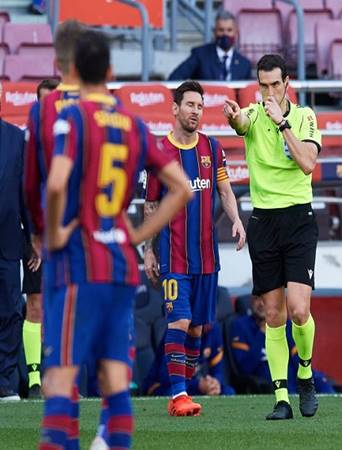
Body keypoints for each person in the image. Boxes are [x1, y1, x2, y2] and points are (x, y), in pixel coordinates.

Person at [38, 29, 192, 450]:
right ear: (110, 71)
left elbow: (56, 183)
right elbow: (182, 188)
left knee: (61, 378)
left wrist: (54, 232)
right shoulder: (133, 124)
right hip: (121, 266)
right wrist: (136, 234)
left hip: (80, 262)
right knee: (116, 379)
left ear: (72, 70)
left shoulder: (73, 118)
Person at [223, 54, 322, 420]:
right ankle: (282, 398)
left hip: (298, 217)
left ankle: (305, 373)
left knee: (299, 309)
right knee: (273, 313)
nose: (269, 92)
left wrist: (282, 123)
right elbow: (241, 122)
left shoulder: (305, 116)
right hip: (263, 220)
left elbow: (307, 163)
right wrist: (234, 117)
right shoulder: (253, 113)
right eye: (263, 85)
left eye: (275, 84)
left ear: (287, 83)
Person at [143, 80, 245, 417]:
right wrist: (149, 250)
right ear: (175, 108)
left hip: (207, 257)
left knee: (199, 328)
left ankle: (183, 393)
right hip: (174, 257)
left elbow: (225, 191)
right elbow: (150, 206)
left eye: (200, 106)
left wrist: (237, 220)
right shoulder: (159, 153)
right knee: (180, 321)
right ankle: (178, 394)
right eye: (190, 105)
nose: (195, 112)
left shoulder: (212, 149)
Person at [20, 78, 59, 401]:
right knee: (35, 303)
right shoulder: (26, 144)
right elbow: (23, 193)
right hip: (37, 237)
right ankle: (35, 379)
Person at [0, 91, 34, 401]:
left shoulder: (15, 138)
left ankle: (5, 382)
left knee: (11, 311)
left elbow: (25, 195)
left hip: (8, 242)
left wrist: (33, 236)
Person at [230, 295, 335, 395]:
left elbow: (299, 361)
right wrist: (263, 332)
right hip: (266, 380)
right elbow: (245, 368)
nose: (261, 303)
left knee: (321, 382)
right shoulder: (240, 326)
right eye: (257, 299)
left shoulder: (286, 325)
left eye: (266, 299)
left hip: (292, 377)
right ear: (251, 301)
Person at [143, 322, 235, 397]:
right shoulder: (176, 329)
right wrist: (198, 386)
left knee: (228, 391)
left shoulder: (213, 327)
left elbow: (218, 370)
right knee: (172, 393)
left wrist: (215, 383)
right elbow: (167, 379)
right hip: (163, 386)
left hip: (197, 384)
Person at [168, 10, 252, 81]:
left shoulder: (245, 64)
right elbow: (174, 78)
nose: (225, 34)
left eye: (229, 30)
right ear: (214, 32)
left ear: (236, 33)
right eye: (221, 30)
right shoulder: (200, 55)